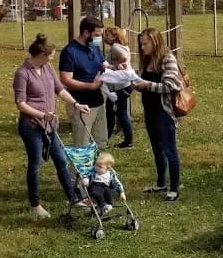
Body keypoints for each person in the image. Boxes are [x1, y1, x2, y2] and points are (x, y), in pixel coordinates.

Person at [13, 32, 92, 218]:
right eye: (50, 56)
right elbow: (21, 103)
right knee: (35, 164)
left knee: (61, 161)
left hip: (50, 126)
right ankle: (35, 205)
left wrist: (76, 104)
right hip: (32, 126)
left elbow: (60, 90)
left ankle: (73, 198)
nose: (52, 59)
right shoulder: (23, 73)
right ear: (41, 55)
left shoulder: (47, 68)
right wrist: (42, 115)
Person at [133, 27, 183, 202]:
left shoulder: (168, 59)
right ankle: (161, 183)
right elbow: (145, 82)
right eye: (141, 44)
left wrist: (147, 85)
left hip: (163, 113)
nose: (142, 48)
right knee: (157, 149)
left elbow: (171, 86)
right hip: (150, 112)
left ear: (155, 42)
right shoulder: (147, 60)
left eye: (145, 44)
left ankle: (174, 188)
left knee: (169, 150)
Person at [59, 16, 107, 148]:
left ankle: (99, 162)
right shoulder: (70, 52)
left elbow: (103, 63)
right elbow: (66, 79)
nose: (99, 38)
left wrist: (116, 67)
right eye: (97, 35)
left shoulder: (94, 47)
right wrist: (91, 86)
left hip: (98, 101)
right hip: (81, 104)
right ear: (86, 33)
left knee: (101, 142)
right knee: (83, 145)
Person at [102, 25, 135, 148]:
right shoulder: (123, 45)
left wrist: (115, 65)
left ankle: (106, 139)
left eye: (108, 35)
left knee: (112, 112)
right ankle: (127, 140)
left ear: (114, 36)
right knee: (121, 112)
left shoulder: (116, 47)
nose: (105, 37)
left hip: (120, 86)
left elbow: (123, 57)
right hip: (126, 84)